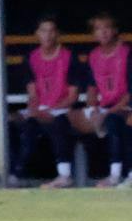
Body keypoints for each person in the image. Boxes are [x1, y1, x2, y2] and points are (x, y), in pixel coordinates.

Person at [13, 15, 80, 187]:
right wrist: (35, 110)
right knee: (23, 124)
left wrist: (51, 110)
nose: (48, 35)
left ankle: (64, 176)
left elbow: (72, 96)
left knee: (59, 122)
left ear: (57, 34)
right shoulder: (31, 58)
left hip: (62, 109)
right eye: (44, 31)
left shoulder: (69, 57)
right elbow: (32, 94)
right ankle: (15, 176)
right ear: (37, 34)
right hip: (41, 109)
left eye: (51, 31)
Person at [73, 11, 129, 187]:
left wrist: (107, 114)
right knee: (67, 120)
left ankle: (115, 175)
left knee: (114, 121)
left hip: (126, 105)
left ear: (115, 30)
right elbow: (91, 88)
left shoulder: (127, 53)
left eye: (107, 28)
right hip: (106, 107)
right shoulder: (93, 56)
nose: (103, 32)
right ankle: (66, 174)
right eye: (98, 29)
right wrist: (93, 109)